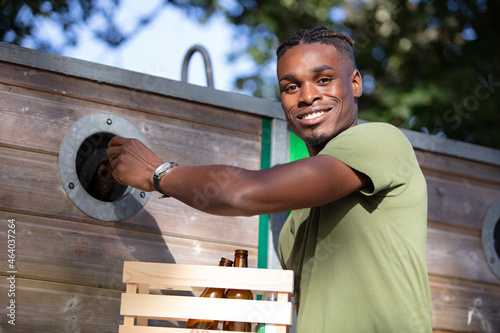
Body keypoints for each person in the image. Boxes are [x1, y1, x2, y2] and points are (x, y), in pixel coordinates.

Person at [107, 26, 432, 332]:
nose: (307, 96)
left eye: (323, 79)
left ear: (356, 83)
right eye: (292, 86)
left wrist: (158, 173)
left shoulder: (382, 141)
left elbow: (243, 193)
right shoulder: (295, 224)